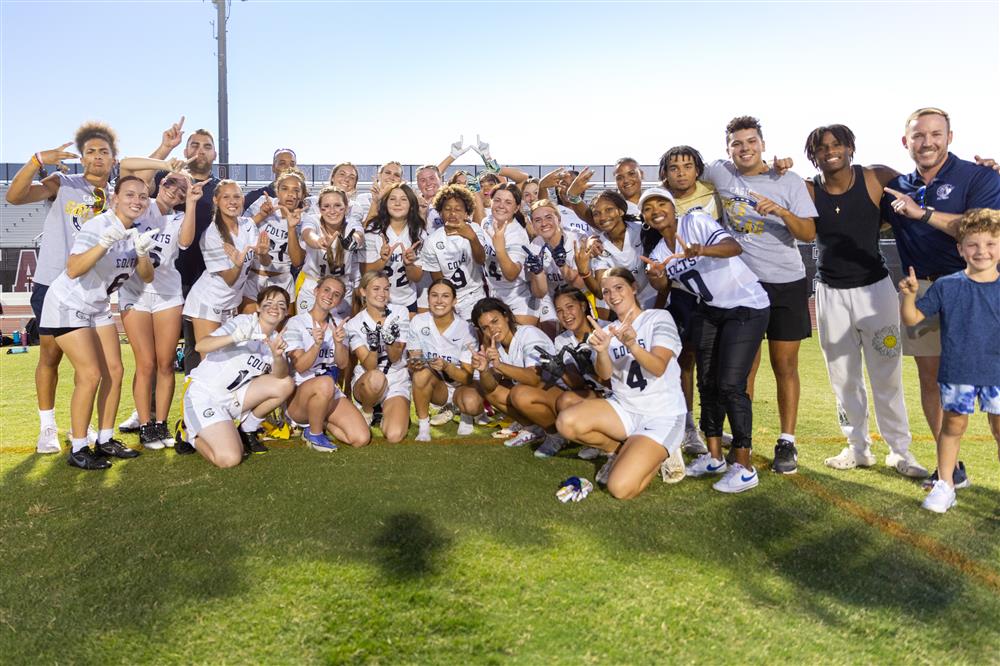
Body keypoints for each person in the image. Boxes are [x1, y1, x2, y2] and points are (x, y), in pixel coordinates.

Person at [803, 125, 928, 476]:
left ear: (850, 148)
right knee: (843, 378)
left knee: (886, 375)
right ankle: (857, 447)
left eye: (837, 144)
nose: (830, 151)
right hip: (830, 294)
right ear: (813, 154)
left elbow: (924, 190)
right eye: (821, 147)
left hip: (876, 292)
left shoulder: (876, 178)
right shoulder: (808, 189)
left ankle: (900, 451)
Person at [881, 107, 1000, 472]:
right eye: (918, 135)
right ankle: (950, 469)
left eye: (935, 134)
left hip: (976, 290)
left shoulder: (978, 175)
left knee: (993, 384)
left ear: (950, 137)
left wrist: (924, 214)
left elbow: (981, 230)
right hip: (926, 290)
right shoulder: (896, 188)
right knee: (930, 378)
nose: (927, 142)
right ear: (906, 142)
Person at [701, 115, 818, 475]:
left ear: (763, 144)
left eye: (751, 141)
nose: (745, 148)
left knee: (784, 365)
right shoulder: (721, 173)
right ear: (728, 149)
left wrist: (780, 210)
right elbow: (685, 175)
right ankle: (742, 440)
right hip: (743, 286)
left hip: (785, 282)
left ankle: (787, 441)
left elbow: (809, 233)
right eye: (737, 143)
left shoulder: (788, 179)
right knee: (742, 370)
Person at [640, 188, 770, 492]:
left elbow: (733, 247)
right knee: (707, 383)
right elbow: (661, 283)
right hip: (712, 310)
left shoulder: (695, 221)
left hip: (746, 305)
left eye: (661, 203)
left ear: (673, 209)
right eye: (648, 208)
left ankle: (744, 465)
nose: (655, 210)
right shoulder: (659, 249)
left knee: (730, 385)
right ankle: (714, 457)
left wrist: (701, 250)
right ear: (644, 218)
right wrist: (657, 275)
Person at [6, 122, 118, 453]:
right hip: (54, 283)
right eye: (91, 152)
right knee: (51, 356)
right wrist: (37, 160)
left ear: (114, 159)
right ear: (82, 158)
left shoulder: (118, 196)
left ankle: (80, 427)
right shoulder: (63, 183)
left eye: (104, 152)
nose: (97, 157)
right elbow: (14, 197)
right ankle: (47, 427)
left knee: (91, 366)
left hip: (92, 292)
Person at [37, 176, 157, 470]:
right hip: (68, 304)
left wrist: (141, 253)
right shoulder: (98, 225)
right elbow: (74, 267)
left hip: (97, 305)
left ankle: (105, 439)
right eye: (130, 194)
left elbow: (147, 276)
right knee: (90, 375)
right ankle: (79, 447)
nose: (137, 201)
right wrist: (105, 242)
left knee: (115, 371)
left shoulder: (135, 230)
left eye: (142, 196)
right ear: (115, 197)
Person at [899, 209, 1000, 513]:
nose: (981, 251)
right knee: (953, 426)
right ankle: (946, 485)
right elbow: (913, 320)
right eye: (973, 244)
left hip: (997, 373)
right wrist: (909, 296)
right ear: (960, 248)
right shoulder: (947, 285)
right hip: (958, 371)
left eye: (990, 243)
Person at [555, 268, 687, 499]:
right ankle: (617, 451)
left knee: (620, 488)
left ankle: (663, 453)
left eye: (619, 288)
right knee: (566, 422)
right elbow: (605, 375)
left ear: (633, 288)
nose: (612, 295)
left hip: (661, 413)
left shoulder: (658, 318)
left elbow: (658, 367)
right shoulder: (605, 330)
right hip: (625, 408)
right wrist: (603, 351)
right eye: (606, 292)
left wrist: (634, 345)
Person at [117, 164, 195, 450]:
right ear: (161, 182)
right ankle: (146, 424)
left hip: (167, 294)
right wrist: (166, 164)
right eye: (171, 183)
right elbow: (131, 169)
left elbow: (186, 243)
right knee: (145, 363)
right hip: (135, 292)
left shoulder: (179, 219)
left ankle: (161, 422)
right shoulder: (141, 204)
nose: (174, 190)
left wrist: (191, 201)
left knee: (165, 363)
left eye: (181, 189)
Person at [183, 287, 296, 467]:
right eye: (269, 303)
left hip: (233, 397)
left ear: (284, 313)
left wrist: (277, 356)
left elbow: (280, 377)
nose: (275, 307)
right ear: (258, 307)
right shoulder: (243, 322)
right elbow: (201, 346)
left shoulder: (275, 338)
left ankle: (247, 428)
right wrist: (233, 337)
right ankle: (188, 434)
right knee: (230, 459)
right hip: (206, 395)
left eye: (281, 305)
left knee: (286, 383)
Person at [507, 286, 610, 459]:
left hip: (617, 396)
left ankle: (609, 443)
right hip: (592, 395)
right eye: (560, 310)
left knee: (567, 400)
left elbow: (616, 380)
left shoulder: (607, 330)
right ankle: (569, 437)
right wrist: (561, 370)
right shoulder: (562, 340)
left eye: (570, 307)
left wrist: (592, 369)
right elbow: (578, 385)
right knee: (561, 399)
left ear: (583, 306)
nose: (566, 315)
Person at [467, 297, 566, 457]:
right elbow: (491, 387)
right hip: (536, 396)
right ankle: (534, 428)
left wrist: (499, 365)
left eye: (495, 321)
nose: (492, 329)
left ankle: (556, 435)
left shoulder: (528, 333)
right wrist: (484, 370)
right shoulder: (495, 345)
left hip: (560, 395)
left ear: (506, 316)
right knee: (490, 391)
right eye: (485, 327)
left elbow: (536, 379)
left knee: (519, 393)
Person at [284, 276, 370, 451]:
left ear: (339, 301)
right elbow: (300, 366)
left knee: (361, 438)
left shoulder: (338, 326)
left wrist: (339, 343)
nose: (330, 296)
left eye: (336, 294)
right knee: (326, 382)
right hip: (300, 397)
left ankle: (319, 420)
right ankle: (314, 434)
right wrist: (316, 345)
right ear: (316, 291)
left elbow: (343, 363)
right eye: (326, 290)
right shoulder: (295, 322)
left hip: (329, 393)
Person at [181, 180, 270, 345]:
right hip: (208, 302)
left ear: (243, 199)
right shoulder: (212, 235)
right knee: (210, 361)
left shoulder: (248, 224)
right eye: (226, 197)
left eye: (237, 196)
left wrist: (263, 254)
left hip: (230, 303)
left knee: (226, 360)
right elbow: (229, 280)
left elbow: (265, 261)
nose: (232, 201)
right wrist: (238, 264)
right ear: (216, 200)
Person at [406, 279, 481, 441]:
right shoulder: (418, 321)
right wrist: (414, 363)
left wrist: (447, 367)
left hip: (461, 385)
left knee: (472, 403)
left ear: (454, 301)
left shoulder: (465, 329)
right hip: (438, 387)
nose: (439, 301)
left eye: (445, 296)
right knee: (420, 374)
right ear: (428, 299)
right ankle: (424, 427)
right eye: (434, 295)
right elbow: (415, 358)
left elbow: (467, 377)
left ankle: (466, 414)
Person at [345, 271, 412, 442]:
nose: (382, 294)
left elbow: (396, 357)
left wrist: (389, 342)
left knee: (394, 435)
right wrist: (374, 347)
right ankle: (368, 411)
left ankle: (387, 412)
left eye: (386, 289)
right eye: (376, 289)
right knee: (376, 377)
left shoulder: (400, 312)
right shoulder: (353, 324)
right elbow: (369, 367)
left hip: (396, 378)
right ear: (363, 292)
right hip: (368, 380)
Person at [418, 185, 487, 321]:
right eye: (447, 209)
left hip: (475, 295)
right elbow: (438, 280)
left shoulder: (474, 229)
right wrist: (449, 304)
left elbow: (481, 259)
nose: (452, 213)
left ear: (466, 213)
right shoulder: (432, 241)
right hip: (449, 300)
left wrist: (472, 238)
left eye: (458, 209)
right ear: (440, 212)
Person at [243, 168, 307, 311]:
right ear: (277, 191)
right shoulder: (263, 203)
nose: (290, 194)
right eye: (285, 189)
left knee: (282, 332)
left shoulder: (304, 219)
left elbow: (297, 261)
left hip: (282, 281)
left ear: (303, 195)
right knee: (249, 330)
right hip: (254, 277)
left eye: (296, 190)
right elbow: (240, 234)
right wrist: (262, 215)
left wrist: (291, 228)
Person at [297, 186, 363, 318]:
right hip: (313, 284)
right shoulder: (312, 219)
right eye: (326, 206)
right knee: (307, 328)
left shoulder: (352, 222)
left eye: (337, 205)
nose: (332, 211)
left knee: (338, 331)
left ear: (346, 207)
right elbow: (308, 234)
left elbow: (358, 235)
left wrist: (352, 242)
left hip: (341, 286)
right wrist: (318, 242)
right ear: (319, 208)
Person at [525, 199, 586, 335]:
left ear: (558, 219)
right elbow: (539, 293)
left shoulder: (576, 239)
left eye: (548, 217)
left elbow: (579, 285)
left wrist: (562, 265)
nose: (544, 223)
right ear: (533, 225)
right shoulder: (535, 246)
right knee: (549, 325)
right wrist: (538, 272)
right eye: (538, 220)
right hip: (551, 295)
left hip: (578, 294)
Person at [362, 183, 425, 312]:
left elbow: (417, 277)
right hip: (377, 300)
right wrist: (382, 260)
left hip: (407, 301)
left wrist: (409, 264)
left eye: (403, 199)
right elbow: (365, 272)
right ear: (385, 204)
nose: (397, 203)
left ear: (411, 205)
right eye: (392, 199)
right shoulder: (373, 230)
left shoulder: (419, 232)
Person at [480, 183, 537, 324]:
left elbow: (511, 275)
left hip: (519, 300)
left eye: (508, 202)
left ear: (516, 208)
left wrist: (499, 248)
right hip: (495, 298)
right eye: (497, 200)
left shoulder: (518, 235)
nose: (501, 205)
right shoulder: (486, 222)